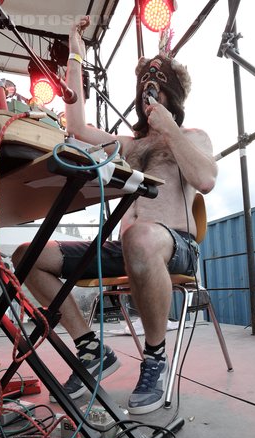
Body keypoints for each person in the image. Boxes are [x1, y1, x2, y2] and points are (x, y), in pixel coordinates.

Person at [12, 16, 217, 415]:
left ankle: (154, 357)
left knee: (139, 236)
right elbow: (75, 130)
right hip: (124, 246)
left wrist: (170, 132)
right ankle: (91, 348)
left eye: (156, 83)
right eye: (143, 84)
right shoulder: (128, 143)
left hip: (174, 244)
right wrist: (75, 57)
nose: (147, 89)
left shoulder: (193, 137)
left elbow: (205, 179)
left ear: (173, 94)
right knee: (27, 255)